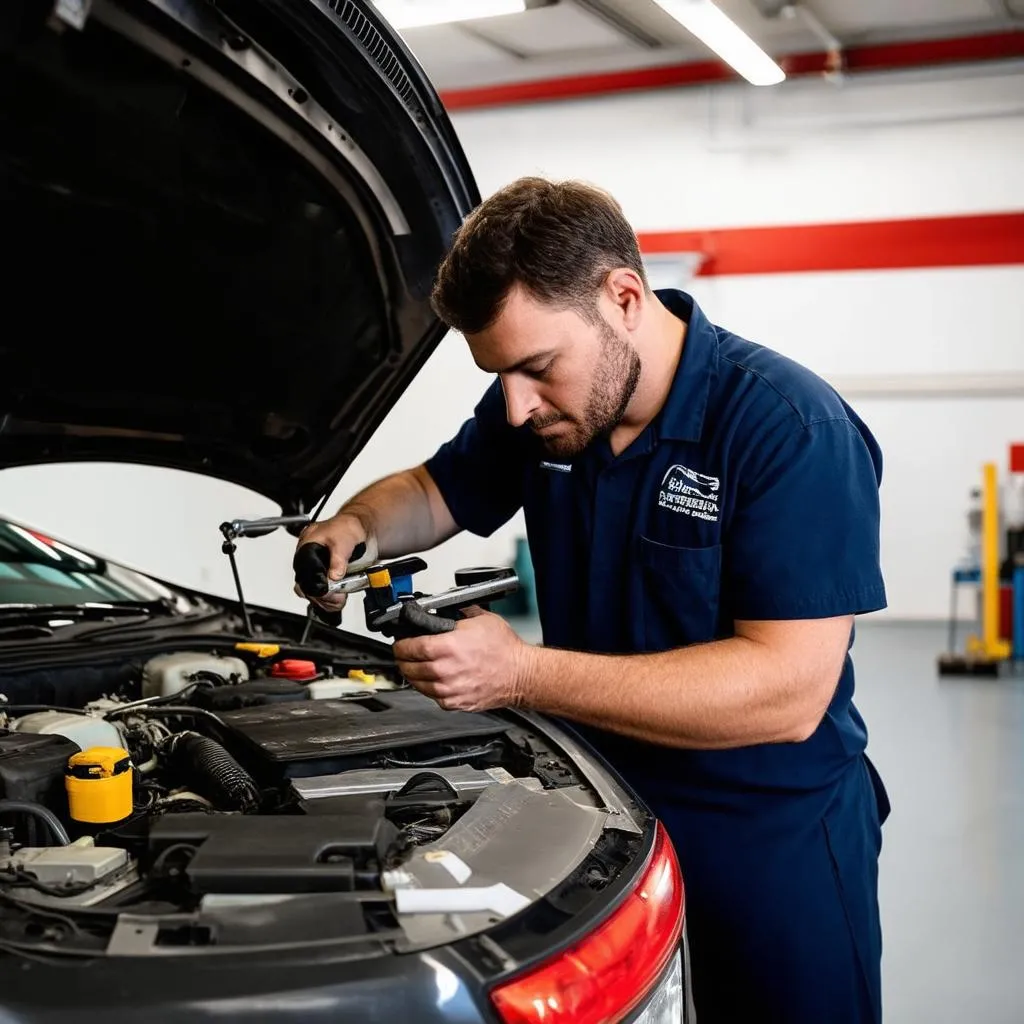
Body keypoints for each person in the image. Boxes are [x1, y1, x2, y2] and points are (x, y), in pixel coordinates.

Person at [293, 176, 891, 1024]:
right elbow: (437, 490)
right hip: (603, 819)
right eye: (500, 374)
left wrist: (521, 674)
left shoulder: (789, 430)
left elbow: (789, 690)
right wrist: (353, 525)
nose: (515, 403)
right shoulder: (541, 413)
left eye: (537, 367)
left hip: (767, 843)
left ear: (622, 297)